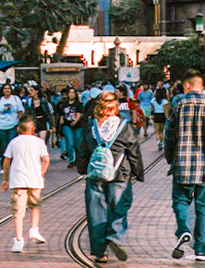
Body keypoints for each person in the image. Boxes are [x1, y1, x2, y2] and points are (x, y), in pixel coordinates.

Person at [74, 87, 144, 264]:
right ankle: (114, 236)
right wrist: (138, 172)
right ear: (116, 107)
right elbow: (134, 151)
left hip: (96, 174)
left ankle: (100, 251)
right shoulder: (124, 127)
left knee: (96, 211)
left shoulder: (91, 126)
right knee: (119, 206)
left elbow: (82, 149)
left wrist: (82, 169)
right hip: (120, 174)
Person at [166, 70, 205, 262]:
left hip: (183, 166)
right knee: (202, 208)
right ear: (201, 86)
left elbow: (169, 137)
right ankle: (201, 249)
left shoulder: (179, 106)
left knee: (181, 201)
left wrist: (170, 158)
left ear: (186, 85)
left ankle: (183, 230)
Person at [1, 114, 50, 253]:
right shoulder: (39, 142)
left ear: (18, 129)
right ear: (33, 128)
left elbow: (6, 162)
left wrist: (5, 179)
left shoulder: (14, 142)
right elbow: (46, 160)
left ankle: (18, 240)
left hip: (18, 181)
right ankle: (34, 229)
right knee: (35, 205)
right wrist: (42, 173)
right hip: (35, 180)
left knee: (18, 211)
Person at [0, 82, 25, 155]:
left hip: (13, 125)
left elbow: (20, 113)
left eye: (8, 88)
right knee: (3, 145)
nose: (7, 90)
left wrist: (21, 125)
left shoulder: (16, 99)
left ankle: (13, 160)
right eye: (5, 88)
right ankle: (4, 162)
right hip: (1, 125)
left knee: (12, 143)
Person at [58, 86, 86, 164]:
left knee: (77, 143)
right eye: (70, 93)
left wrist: (75, 121)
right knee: (70, 142)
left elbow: (79, 114)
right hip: (67, 125)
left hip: (77, 126)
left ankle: (78, 158)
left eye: (73, 93)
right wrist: (61, 120)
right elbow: (61, 114)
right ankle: (71, 159)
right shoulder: (64, 104)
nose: (71, 94)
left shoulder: (78, 104)